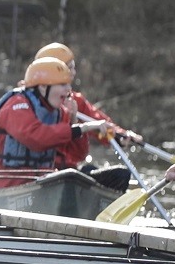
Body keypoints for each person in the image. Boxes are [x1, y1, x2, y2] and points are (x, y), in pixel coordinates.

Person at [0, 57, 113, 188]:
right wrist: (83, 128)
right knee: (69, 178)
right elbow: (36, 138)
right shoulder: (17, 105)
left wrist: (74, 119)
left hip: (44, 181)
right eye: (63, 84)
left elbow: (78, 155)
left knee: (117, 175)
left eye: (69, 84)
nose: (69, 89)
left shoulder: (58, 112)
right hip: (13, 184)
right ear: (42, 86)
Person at [34, 42, 141, 191]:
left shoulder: (75, 101)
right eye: (68, 68)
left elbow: (97, 120)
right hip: (42, 176)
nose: (73, 73)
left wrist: (120, 135)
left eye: (73, 67)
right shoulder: (29, 103)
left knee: (118, 175)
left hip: (69, 172)